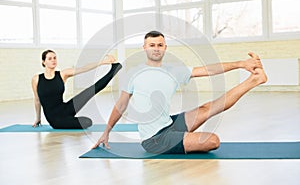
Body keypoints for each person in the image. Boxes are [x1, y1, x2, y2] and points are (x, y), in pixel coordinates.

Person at [93, 31, 267, 154]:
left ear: (165, 48)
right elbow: (121, 105)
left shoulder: (174, 71)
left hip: (169, 123)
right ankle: (181, 140)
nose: (156, 48)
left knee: (208, 107)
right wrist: (106, 131)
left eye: (160, 45)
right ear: (144, 47)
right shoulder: (133, 74)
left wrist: (241, 64)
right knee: (213, 141)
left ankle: (254, 80)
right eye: (152, 45)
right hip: (154, 140)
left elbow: (208, 70)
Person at [32, 50, 122, 129]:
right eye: (50, 58)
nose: (53, 60)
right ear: (44, 62)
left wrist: (103, 62)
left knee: (90, 91)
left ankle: (114, 69)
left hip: (66, 108)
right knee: (87, 122)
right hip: (55, 120)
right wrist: (38, 118)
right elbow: (37, 100)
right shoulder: (36, 79)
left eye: (55, 58)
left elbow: (83, 69)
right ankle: (70, 121)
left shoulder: (62, 74)